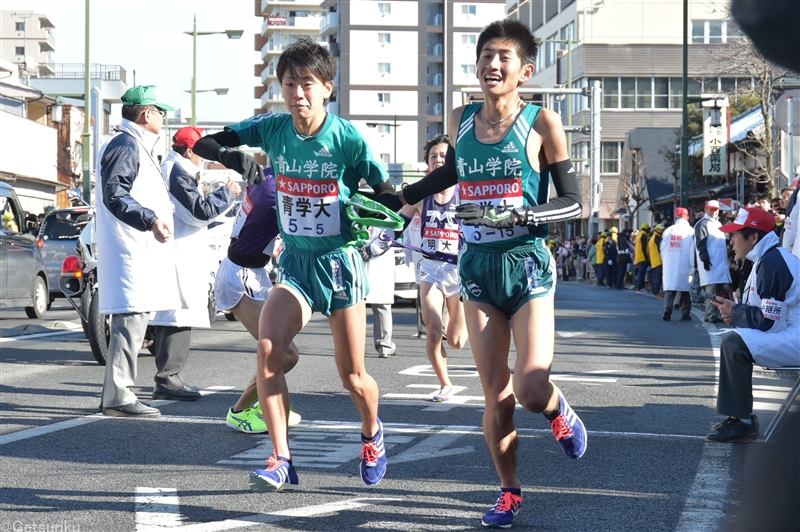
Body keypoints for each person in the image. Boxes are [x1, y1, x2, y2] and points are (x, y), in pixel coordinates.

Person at [382, 20, 586, 528]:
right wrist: (404, 195)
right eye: (485, 56)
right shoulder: (460, 118)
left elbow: (575, 202)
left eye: (504, 57)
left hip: (527, 264)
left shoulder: (543, 123)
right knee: (496, 395)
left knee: (531, 388)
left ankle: (558, 407)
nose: (492, 65)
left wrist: (522, 215)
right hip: (476, 268)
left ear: (525, 70)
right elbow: (454, 171)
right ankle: (508, 492)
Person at [193, 38, 396, 492]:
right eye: (289, 84)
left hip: (340, 264)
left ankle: (371, 432)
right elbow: (206, 141)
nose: (297, 94)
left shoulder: (347, 138)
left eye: (307, 84)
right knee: (269, 349)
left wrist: (364, 206)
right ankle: (282, 458)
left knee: (353, 376)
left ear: (327, 87)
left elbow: (386, 193)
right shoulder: (274, 128)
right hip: (297, 265)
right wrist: (236, 155)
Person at [95, 85, 180, 417]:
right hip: (130, 248)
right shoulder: (127, 144)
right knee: (129, 319)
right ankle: (118, 395)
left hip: (137, 248)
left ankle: (117, 393)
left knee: (134, 317)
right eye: (161, 112)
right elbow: (115, 193)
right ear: (147, 114)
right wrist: (151, 219)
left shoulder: (135, 144)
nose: (164, 118)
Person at [147, 126, 240, 401]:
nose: (206, 157)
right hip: (178, 252)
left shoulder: (173, 169)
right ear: (190, 150)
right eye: (203, 151)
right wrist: (227, 193)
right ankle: (168, 379)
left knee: (173, 315)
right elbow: (199, 212)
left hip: (176, 250)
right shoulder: (177, 172)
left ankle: (167, 378)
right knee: (178, 315)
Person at [214, 171, 301, 433]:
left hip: (256, 273)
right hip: (239, 275)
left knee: (283, 352)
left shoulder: (268, 176)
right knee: (284, 353)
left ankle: (264, 404)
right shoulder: (277, 189)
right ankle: (240, 410)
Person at [707, 206, 800, 442]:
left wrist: (736, 312)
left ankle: (743, 422)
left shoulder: (773, 262)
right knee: (734, 339)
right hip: (790, 332)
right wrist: (735, 311)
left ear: (753, 237)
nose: (731, 242)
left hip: (793, 336)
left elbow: (770, 323)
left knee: (733, 342)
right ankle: (742, 420)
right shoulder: (767, 258)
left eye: (735, 235)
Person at [400, 134, 468, 402]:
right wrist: (376, 239)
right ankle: (444, 383)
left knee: (457, 341)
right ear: (427, 163)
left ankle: (451, 326)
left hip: (458, 272)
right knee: (431, 329)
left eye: (443, 156)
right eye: (433, 157)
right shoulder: (420, 195)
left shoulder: (465, 191)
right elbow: (396, 221)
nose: (438, 160)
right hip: (430, 268)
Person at [694, 200, 732, 323]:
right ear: (705, 209)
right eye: (711, 209)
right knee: (711, 290)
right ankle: (711, 314)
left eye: (716, 209)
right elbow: (701, 242)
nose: (714, 212)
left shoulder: (718, 224)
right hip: (711, 262)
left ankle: (713, 313)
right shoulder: (702, 223)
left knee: (718, 291)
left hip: (719, 263)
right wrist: (704, 258)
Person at [363, 225, 396, 358]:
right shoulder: (387, 210)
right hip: (376, 259)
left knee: (355, 306)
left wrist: (368, 250)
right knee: (381, 306)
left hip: (374, 259)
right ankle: (384, 346)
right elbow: (389, 233)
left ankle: (355, 347)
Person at [660, 208, 696, 321]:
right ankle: (685, 313)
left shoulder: (668, 230)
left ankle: (667, 310)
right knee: (685, 290)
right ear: (687, 217)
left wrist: (664, 261)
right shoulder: (691, 231)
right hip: (685, 263)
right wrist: (693, 266)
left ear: (676, 217)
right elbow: (693, 250)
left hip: (670, 263)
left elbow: (662, 248)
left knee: (670, 290)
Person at [648, 224, 664, 298]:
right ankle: (656, 291)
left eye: (662, 229)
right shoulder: (657, 237)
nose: (661, 231)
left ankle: (654, 291)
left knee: (655, 276)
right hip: (658, 260)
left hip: (654, 260)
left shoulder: (653, 237)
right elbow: (660, 249)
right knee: (658, 276)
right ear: (656, 229)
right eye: (659, 229)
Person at [634, 223, 650, 292]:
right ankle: (640, 287)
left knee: (641, 272)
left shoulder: (639, 235)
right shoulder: (644, 235)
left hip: (638, 256)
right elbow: (644, 247)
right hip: (642, 256)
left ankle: (639, 287)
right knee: (642, 273)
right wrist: (646, 257)